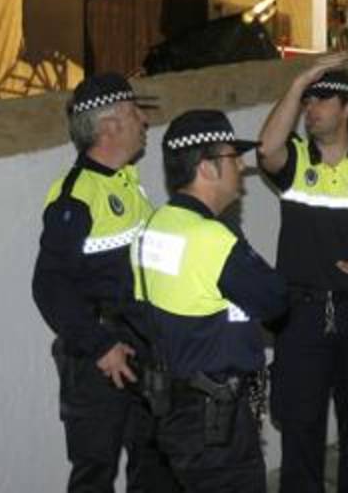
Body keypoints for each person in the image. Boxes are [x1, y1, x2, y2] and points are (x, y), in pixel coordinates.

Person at [257, 55, 348, 493]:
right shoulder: (296, 159)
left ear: (347, 108)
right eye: (308, 101)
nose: (312, 109)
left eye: (322, 100)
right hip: (302, 314)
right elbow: (266, 148)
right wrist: (299, 81)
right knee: (302, 426)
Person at [32, 73, 178, 492]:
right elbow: (49, 285)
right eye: (135, 113)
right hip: (101, 359)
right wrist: (99, 346)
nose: (144, 123)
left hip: (142, 347)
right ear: (109, 125)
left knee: (153, 464)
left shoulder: (127, 183)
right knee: (95, 473)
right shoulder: (76, 195)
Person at [134, 110, 288, 491]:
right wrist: (228, 231)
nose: (241, 167)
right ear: (207, 168)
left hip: (173, 406)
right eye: (233, 157)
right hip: (215, 421)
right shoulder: (211, 239)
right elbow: (274, 299)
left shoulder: (155, 225)